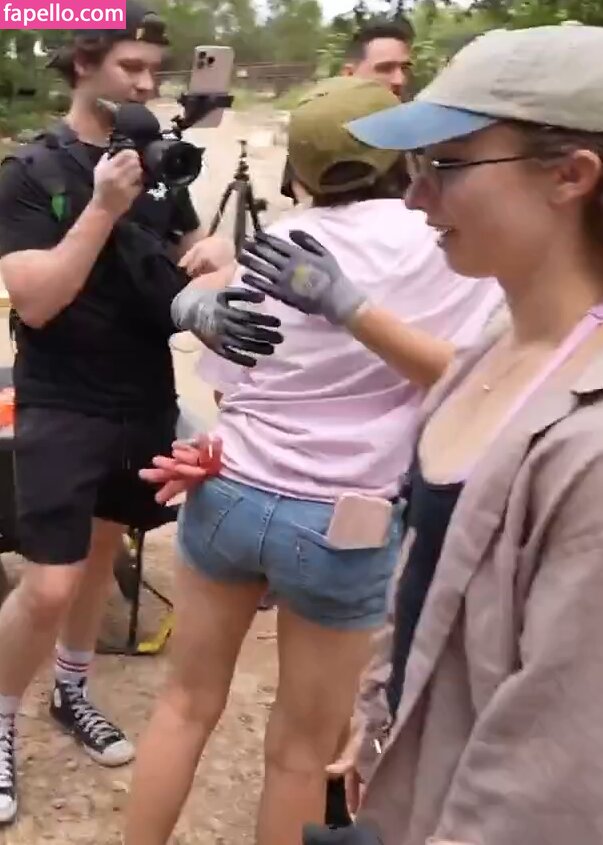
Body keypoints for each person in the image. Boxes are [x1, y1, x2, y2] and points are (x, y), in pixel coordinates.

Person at [239, 23, 603, 845]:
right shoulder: (495, 347)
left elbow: (551, 776)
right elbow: (425, 583)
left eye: (447, 164)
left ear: (570, 175)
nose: (414, 197)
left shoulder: (586, 445)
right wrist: (381, 716)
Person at [124, 75, 503, 845]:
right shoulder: (445, 246)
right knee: (301, 749)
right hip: (342, 520)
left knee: (183, 705)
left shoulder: (275, 245)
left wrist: (197, 302)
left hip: (228, 492)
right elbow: (476, 375)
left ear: (299, 170)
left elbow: (228, 382)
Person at [0, 1, 281, 825]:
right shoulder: (32, 171)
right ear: (82, 62)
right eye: (130, 67)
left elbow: (189, 258)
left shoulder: (158, 161)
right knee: (48, 584)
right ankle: (1, 718)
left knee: (98, 556)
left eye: (155, 71)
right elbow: (37, 301)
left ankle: (72, 690)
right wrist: (100, 207)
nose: (146, 84)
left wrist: (214, 257)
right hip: (63, 394)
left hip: (143, 391)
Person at [281, 19, 414, 203]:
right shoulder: (322, 130)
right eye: (385, 69)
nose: (400, 80)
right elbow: (306, 202)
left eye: (404, 68)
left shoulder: (417, 130)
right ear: (349, 74)